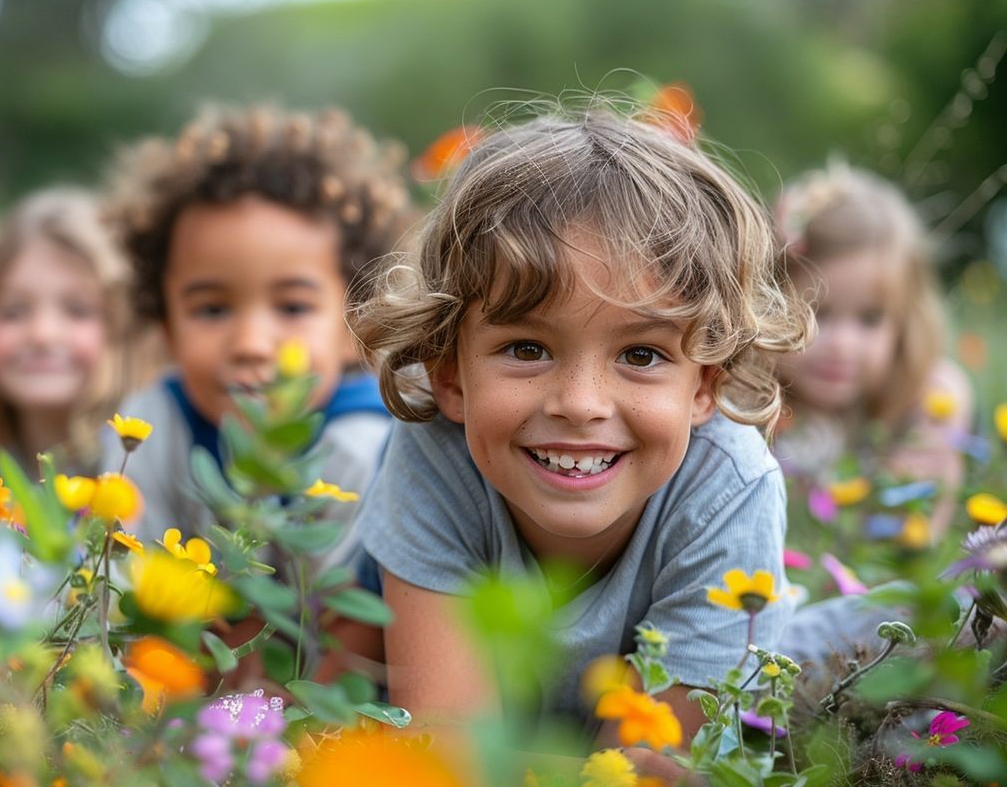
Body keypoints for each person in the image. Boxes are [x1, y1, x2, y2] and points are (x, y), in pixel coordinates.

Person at [348, 102, 812, 743]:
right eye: (527, 349)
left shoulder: (729, 487)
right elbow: (448, 744)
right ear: (449, 373)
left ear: (705, 383)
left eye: (641, 355)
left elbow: (652, 766)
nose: (581, 403)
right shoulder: (436, 451)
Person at [104, 105, 415, 564]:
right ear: (166, 325)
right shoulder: (149, 429)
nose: (250, 344)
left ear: (357, 322)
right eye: (211, 309)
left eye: (292, 307)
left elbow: (334, 625)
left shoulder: (366, 450)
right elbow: (117, 590)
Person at [772, 163, 973, 538]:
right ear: (766, 307)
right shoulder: (746, 417)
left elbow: (911, 539)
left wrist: (941, 417)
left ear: (904, 324)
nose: (842, 345)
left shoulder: (912, 408)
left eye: (870, 319)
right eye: (817, 312)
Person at [0, 187, 146, 477]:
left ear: (121, 328)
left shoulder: (150, 474)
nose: (42, 334)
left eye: (77, 310)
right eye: (13, 311)